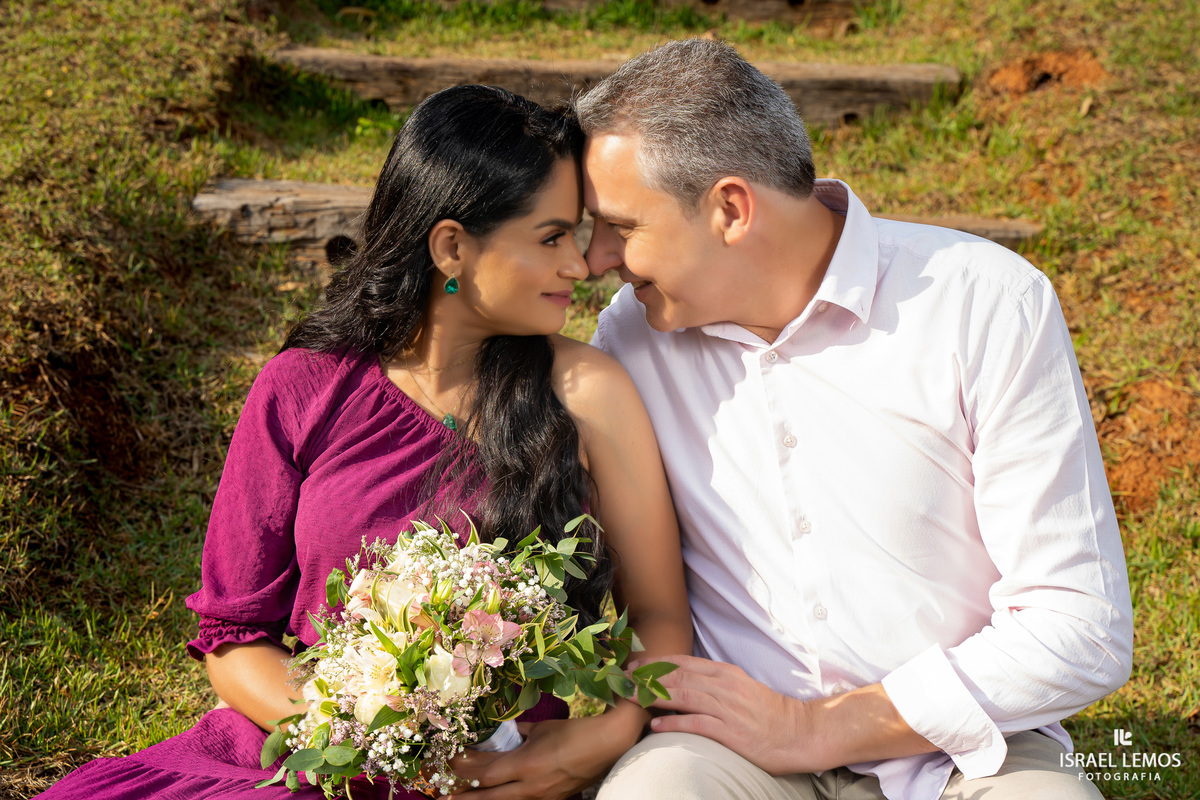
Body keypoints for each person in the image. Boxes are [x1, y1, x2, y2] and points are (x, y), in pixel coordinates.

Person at [35, 85, 691, 800]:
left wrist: (605, 734)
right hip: (304, 762)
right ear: (452, 247)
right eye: (551, 237)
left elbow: (659, 613)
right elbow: (234, 637)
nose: (581, 264)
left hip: (497, 778)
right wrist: (370, 737)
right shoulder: (303, 387)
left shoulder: (586, 392)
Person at [573, 39, 1133, 800]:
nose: (596, 258)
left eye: (620, 226)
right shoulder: (632, 336)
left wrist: (815, 728)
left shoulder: (986, 302)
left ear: (731, 209)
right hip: (726, 748)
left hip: (963, 748)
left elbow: (1081, 626)